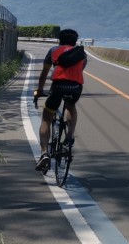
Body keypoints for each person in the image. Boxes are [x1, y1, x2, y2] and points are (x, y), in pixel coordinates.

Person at [33, 28, 87, 172]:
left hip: (58, 86)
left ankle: (44, 153)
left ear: (59, 40)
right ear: (75, 41)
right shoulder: (82, 54)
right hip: (76, 87)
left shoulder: (53, 51)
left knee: (46, 118)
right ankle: (69, 136)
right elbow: (79, 71)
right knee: (70, 106)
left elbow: (44, 72)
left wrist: (39, 91)